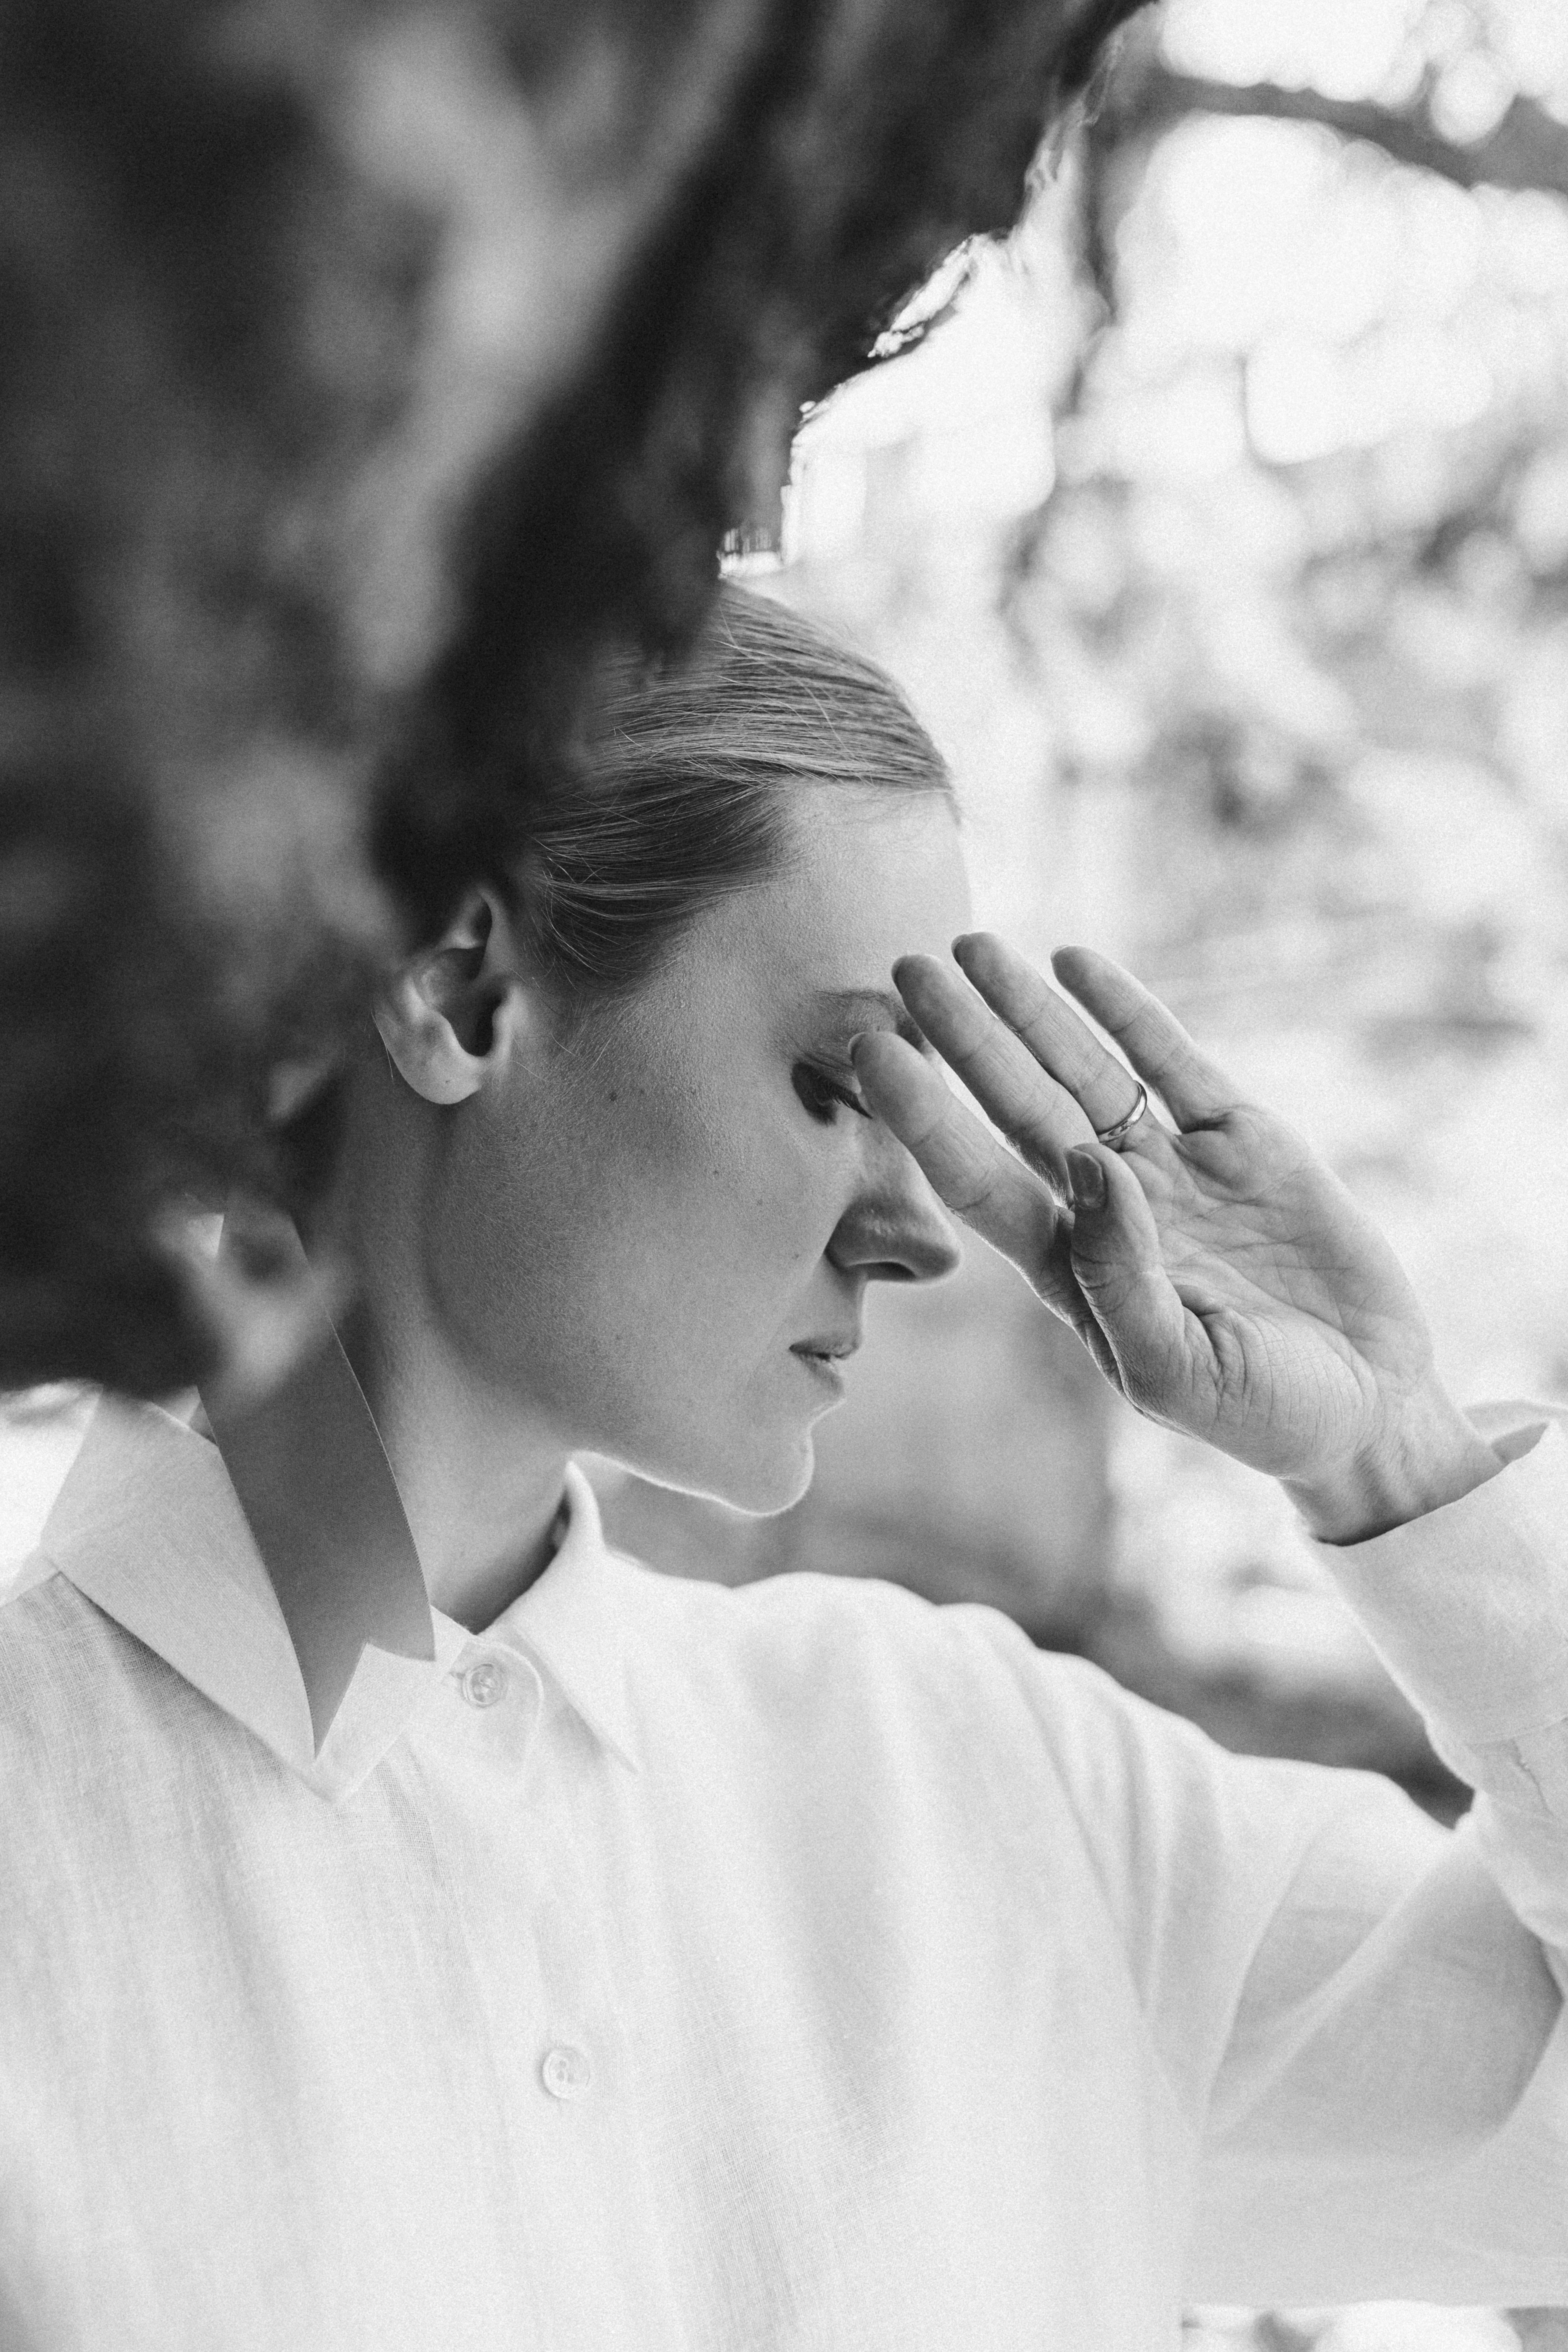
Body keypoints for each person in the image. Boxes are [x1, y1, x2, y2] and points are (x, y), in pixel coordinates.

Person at [1, 587, 1564, 2351]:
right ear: (455, 989)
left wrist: (1401, 1462)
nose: (927, 1230)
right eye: (841, 1082)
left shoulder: (998, 1794)